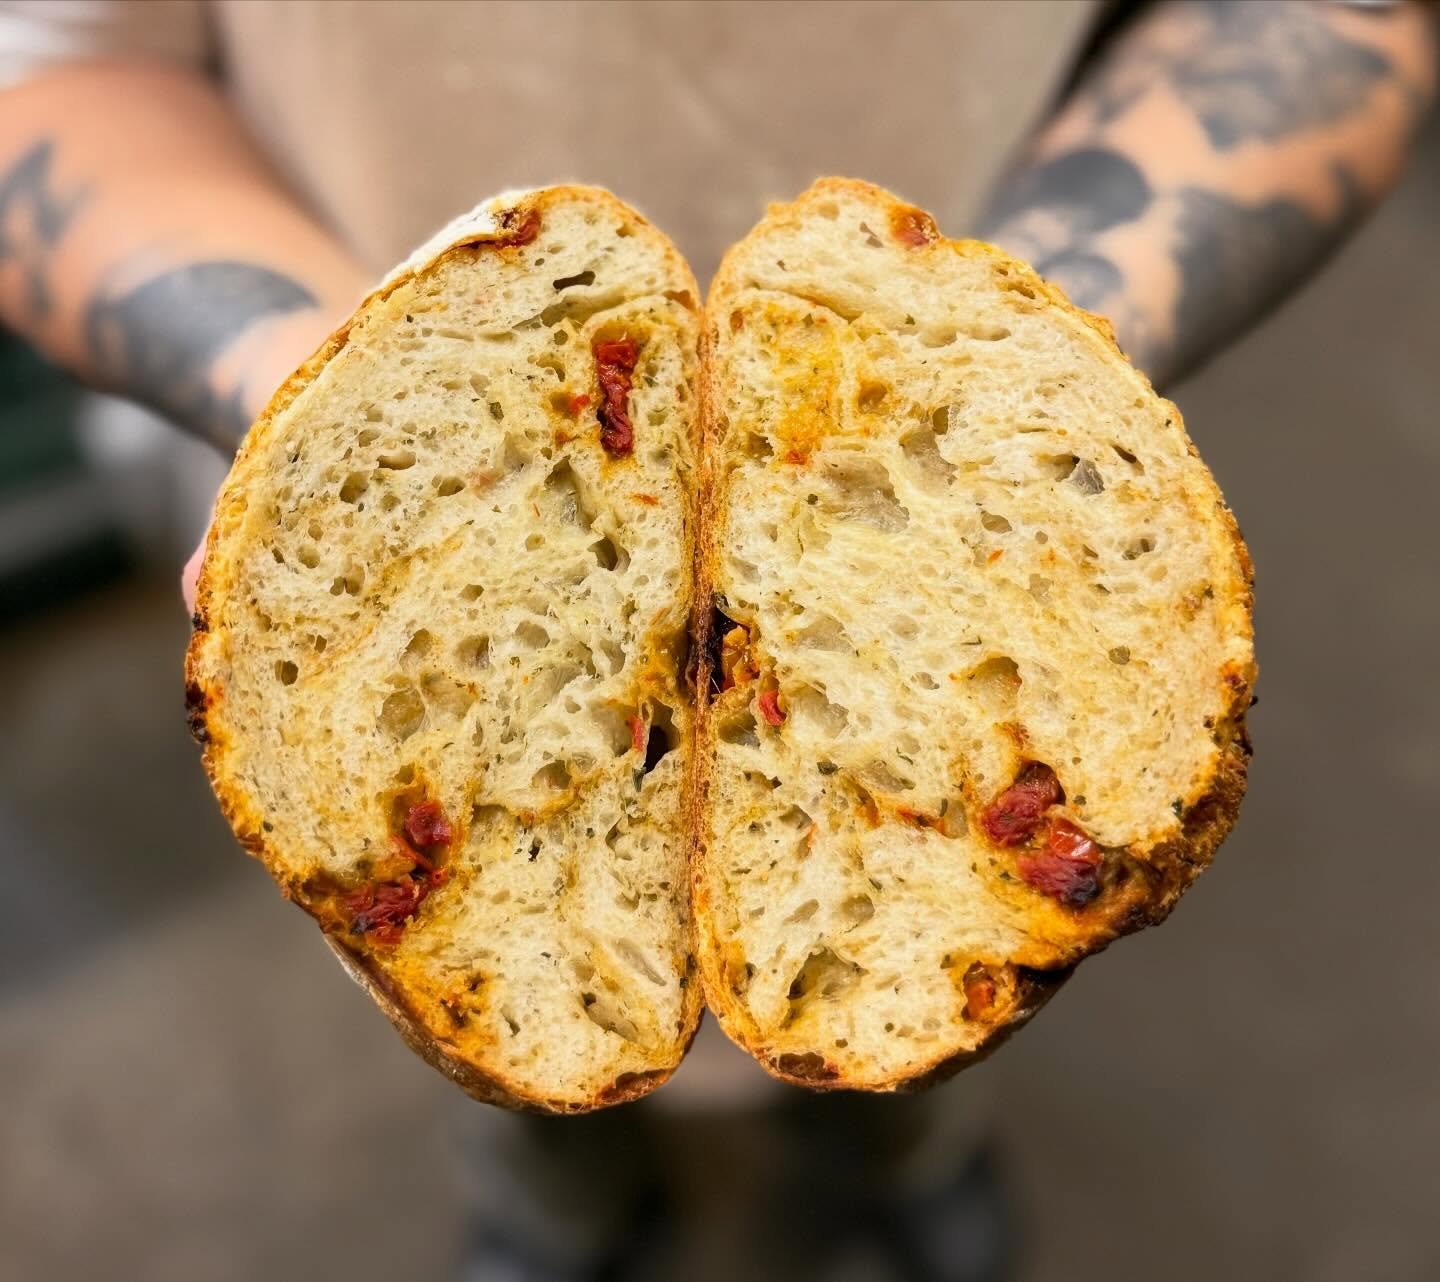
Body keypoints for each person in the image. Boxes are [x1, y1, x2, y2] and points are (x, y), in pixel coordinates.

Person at [0, 3, 1433, 1279]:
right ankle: (556, 1186)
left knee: (922, 957)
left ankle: (899, 1155)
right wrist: (343, 409)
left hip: (978, 480)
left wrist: (986, 367)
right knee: (482, 984)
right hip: (389, 517)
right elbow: (59, 77)